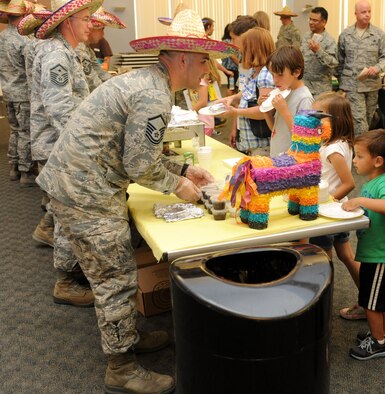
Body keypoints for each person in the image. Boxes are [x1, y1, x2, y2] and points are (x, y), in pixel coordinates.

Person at [36, 9, 238, 393]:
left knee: (116, 269)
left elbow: (135, 149)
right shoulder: (153, 95)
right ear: (182, 58)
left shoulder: (151, 83)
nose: (206, 70)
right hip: (85, 192)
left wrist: (181, 168)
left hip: (81, 182)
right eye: (202, 61)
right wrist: (178, 185)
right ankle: (121, 367)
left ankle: (127, 339)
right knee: (115, 276)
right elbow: (138, 163)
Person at [31, 0, 100, 301]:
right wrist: (88, 145)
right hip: (59, 146)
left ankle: (74, 273)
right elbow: (60, 109)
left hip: (64, 144)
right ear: (68, 22)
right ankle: (66, 283)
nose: (90, 25)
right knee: (67, 215)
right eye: (86, 20)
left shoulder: (66, 52)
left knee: (67, 212)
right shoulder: (57, 55)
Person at [341, 129, 385, 360]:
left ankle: (378, 343)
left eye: (359, 156)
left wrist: (361, 200)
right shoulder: (373, 182)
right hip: (374, 253)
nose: (354, 161)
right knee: (381, 298)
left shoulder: (383, 183)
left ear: (378, 161)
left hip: (380, 255)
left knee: (371, 302)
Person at [307, 92, 363, 320]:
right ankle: (368, 301)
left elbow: (348, 182)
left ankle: (321, 310)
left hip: (329, 215)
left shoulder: (332, 149)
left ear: (335, 120)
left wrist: (327, 202)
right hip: (337, 211)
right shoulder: (338, 143)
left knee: (324, 260)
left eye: (319, 116)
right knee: (346, 256)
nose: (314, 120)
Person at [336, 0, 385, 135]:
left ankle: (359, 150)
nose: (367, 15)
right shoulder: (346, 34)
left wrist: (378, 68)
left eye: (369, 11)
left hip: (372, 85)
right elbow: (340, 61)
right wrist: (343, 83)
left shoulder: (378, 34)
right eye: (363, 12)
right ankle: (360, 153)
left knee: (368, 119)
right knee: (360, 123)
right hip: (353, 85)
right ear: (355, 14)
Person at [220, 26, 275, 156]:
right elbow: (247, 94)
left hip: (262, 147)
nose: (241, 50)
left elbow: (265, 111)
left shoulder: (266, 75)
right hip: (251, 146)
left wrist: (236, 112)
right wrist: (231, 99)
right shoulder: (254, 71)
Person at [0, 0, 36, 186]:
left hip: (7, 93)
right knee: (26, 133)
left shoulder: (2, 37)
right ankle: (26, 172)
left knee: (14, 131)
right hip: (23, 94)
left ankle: (13, 166)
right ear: (23, 16)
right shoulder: (25, 40)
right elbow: (31, 71)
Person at [264, 45, 314, 156]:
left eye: (280, 75)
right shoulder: (284, 92)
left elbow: (305, 140)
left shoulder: (305, 99)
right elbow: (275, 130)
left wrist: (284, 111)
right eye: (272, 74)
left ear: (296, 72)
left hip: (292, 165)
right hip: (277, 158)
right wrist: (266, 111)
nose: (275, 80)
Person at [78, 6, 127, 91]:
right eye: (102, 29)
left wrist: (118, 83)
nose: (103, 34)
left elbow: (100, 72)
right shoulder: (79, 49)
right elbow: (93, 82)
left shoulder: (87, 49)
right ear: (92, 29)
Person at [300, 6, 338, 97]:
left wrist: (318, 51)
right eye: (310, 19)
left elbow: (333, 63)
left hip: (320, 90)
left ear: (324, 22)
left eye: (315, 20)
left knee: (317, 112)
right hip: (304, 87)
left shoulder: (330, 40)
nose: (311, 22)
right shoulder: (306, 36)